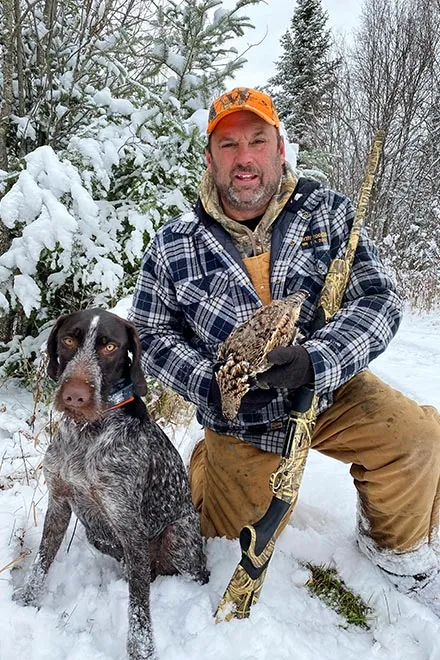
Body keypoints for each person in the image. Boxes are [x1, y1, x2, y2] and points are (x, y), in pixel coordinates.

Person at [129, 87, 440, 615]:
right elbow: (153, 335)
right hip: (241, 421)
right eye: (228, 145)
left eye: (257, 140)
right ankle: (208, 462)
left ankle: (393, 553)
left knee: (414, 439)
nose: (244, 158)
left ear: (280, 148)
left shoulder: (331, 215)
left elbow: (381, 298)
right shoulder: (174, 243)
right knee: (223, 541)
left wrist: (318, 362)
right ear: (210, 158)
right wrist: (211, 384)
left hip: (328, 391)